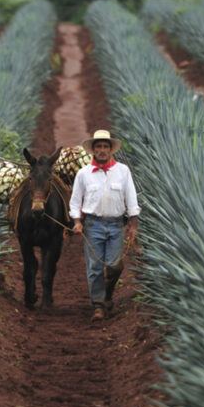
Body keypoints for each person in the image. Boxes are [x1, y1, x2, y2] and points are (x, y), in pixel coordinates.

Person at [69, 130, 140, 321]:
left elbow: (131, 198)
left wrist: (133, 224)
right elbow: (75, 201)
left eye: (105, 147)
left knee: (115, 266)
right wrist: (77, 221)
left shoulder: (123, 171)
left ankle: (108, 293)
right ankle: (98, 305)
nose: (102, 150)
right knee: (94, 267)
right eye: (98, 147)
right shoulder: (83, 174)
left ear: (111, 150)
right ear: (93, 150)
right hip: (93, 225)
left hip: (117, 225)